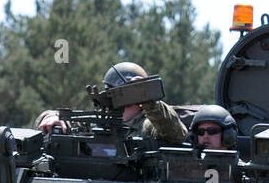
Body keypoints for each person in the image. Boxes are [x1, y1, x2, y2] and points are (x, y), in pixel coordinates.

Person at [35, 62, 189, 146]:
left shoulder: (149, 125)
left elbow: (177, 134)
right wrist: (53, 117)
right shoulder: (97, 121)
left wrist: (150, 103)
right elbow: (63, 120)